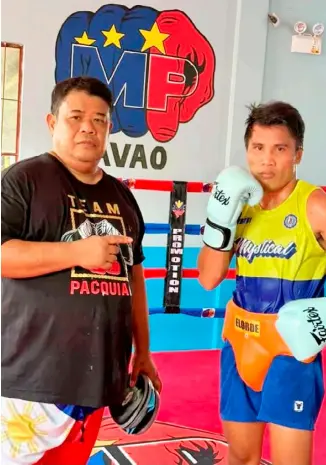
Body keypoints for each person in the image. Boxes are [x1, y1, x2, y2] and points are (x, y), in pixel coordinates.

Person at [1, 76, 161, 465]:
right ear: (53, 123)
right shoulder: (24, 180)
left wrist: (143, 351)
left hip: (95, 380)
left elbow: (133, 276)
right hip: (29, 380)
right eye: (76, 116)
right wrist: (75, 253)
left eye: (100, 120)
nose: (89, 127)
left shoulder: (122, 197)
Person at [197, 101, 326, 465]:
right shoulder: (239, 203)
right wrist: (219, 221)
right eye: (258, 148)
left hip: (291, 346)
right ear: (247, 151)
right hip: (238, 342)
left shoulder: (316, 205)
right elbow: (209, 278)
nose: (267, 161)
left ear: (297, 155)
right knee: (241, 459)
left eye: (279, 149)